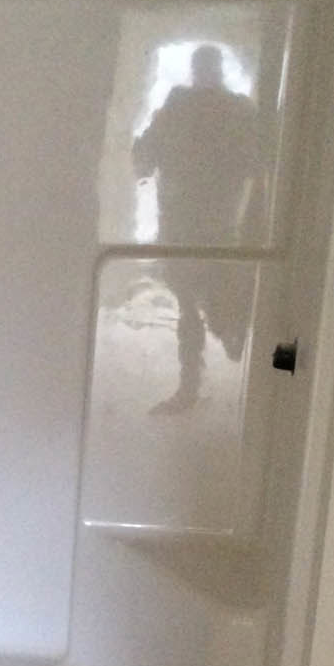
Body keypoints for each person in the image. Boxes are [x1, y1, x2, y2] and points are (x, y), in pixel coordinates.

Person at [132, 45, 260, 414]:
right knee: (195, 304)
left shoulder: (189, 109)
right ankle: (196, 377)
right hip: (203, 227)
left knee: (201, 303)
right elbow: (146, 155)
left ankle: (218, 347)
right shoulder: (231, 111)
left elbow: (143, 158)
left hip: (199, 227)